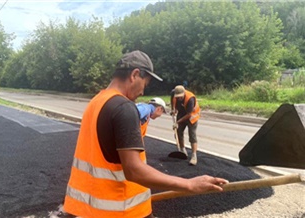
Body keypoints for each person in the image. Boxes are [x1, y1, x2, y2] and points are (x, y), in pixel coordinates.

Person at [63, 50, 228, 218]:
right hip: (123, 210)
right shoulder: (124, 108)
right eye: (145, 84)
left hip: (92, 210)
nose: (143, 92)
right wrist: (189, 184)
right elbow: (134, 170)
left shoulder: (96, 101)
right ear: (135, 75)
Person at [170, 85, 201, 165]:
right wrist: (173, 110)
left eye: (180, 97)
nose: (179, 98)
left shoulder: (190, 99)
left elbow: (189, 114)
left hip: (192, 115)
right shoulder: (174, 94)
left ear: (184, 93)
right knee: (178, 131)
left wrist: (177, 122)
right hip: (182, 113)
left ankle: (194, 156)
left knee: (192, 135)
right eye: (177, 97)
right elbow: (173, 102)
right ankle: (182, 150)